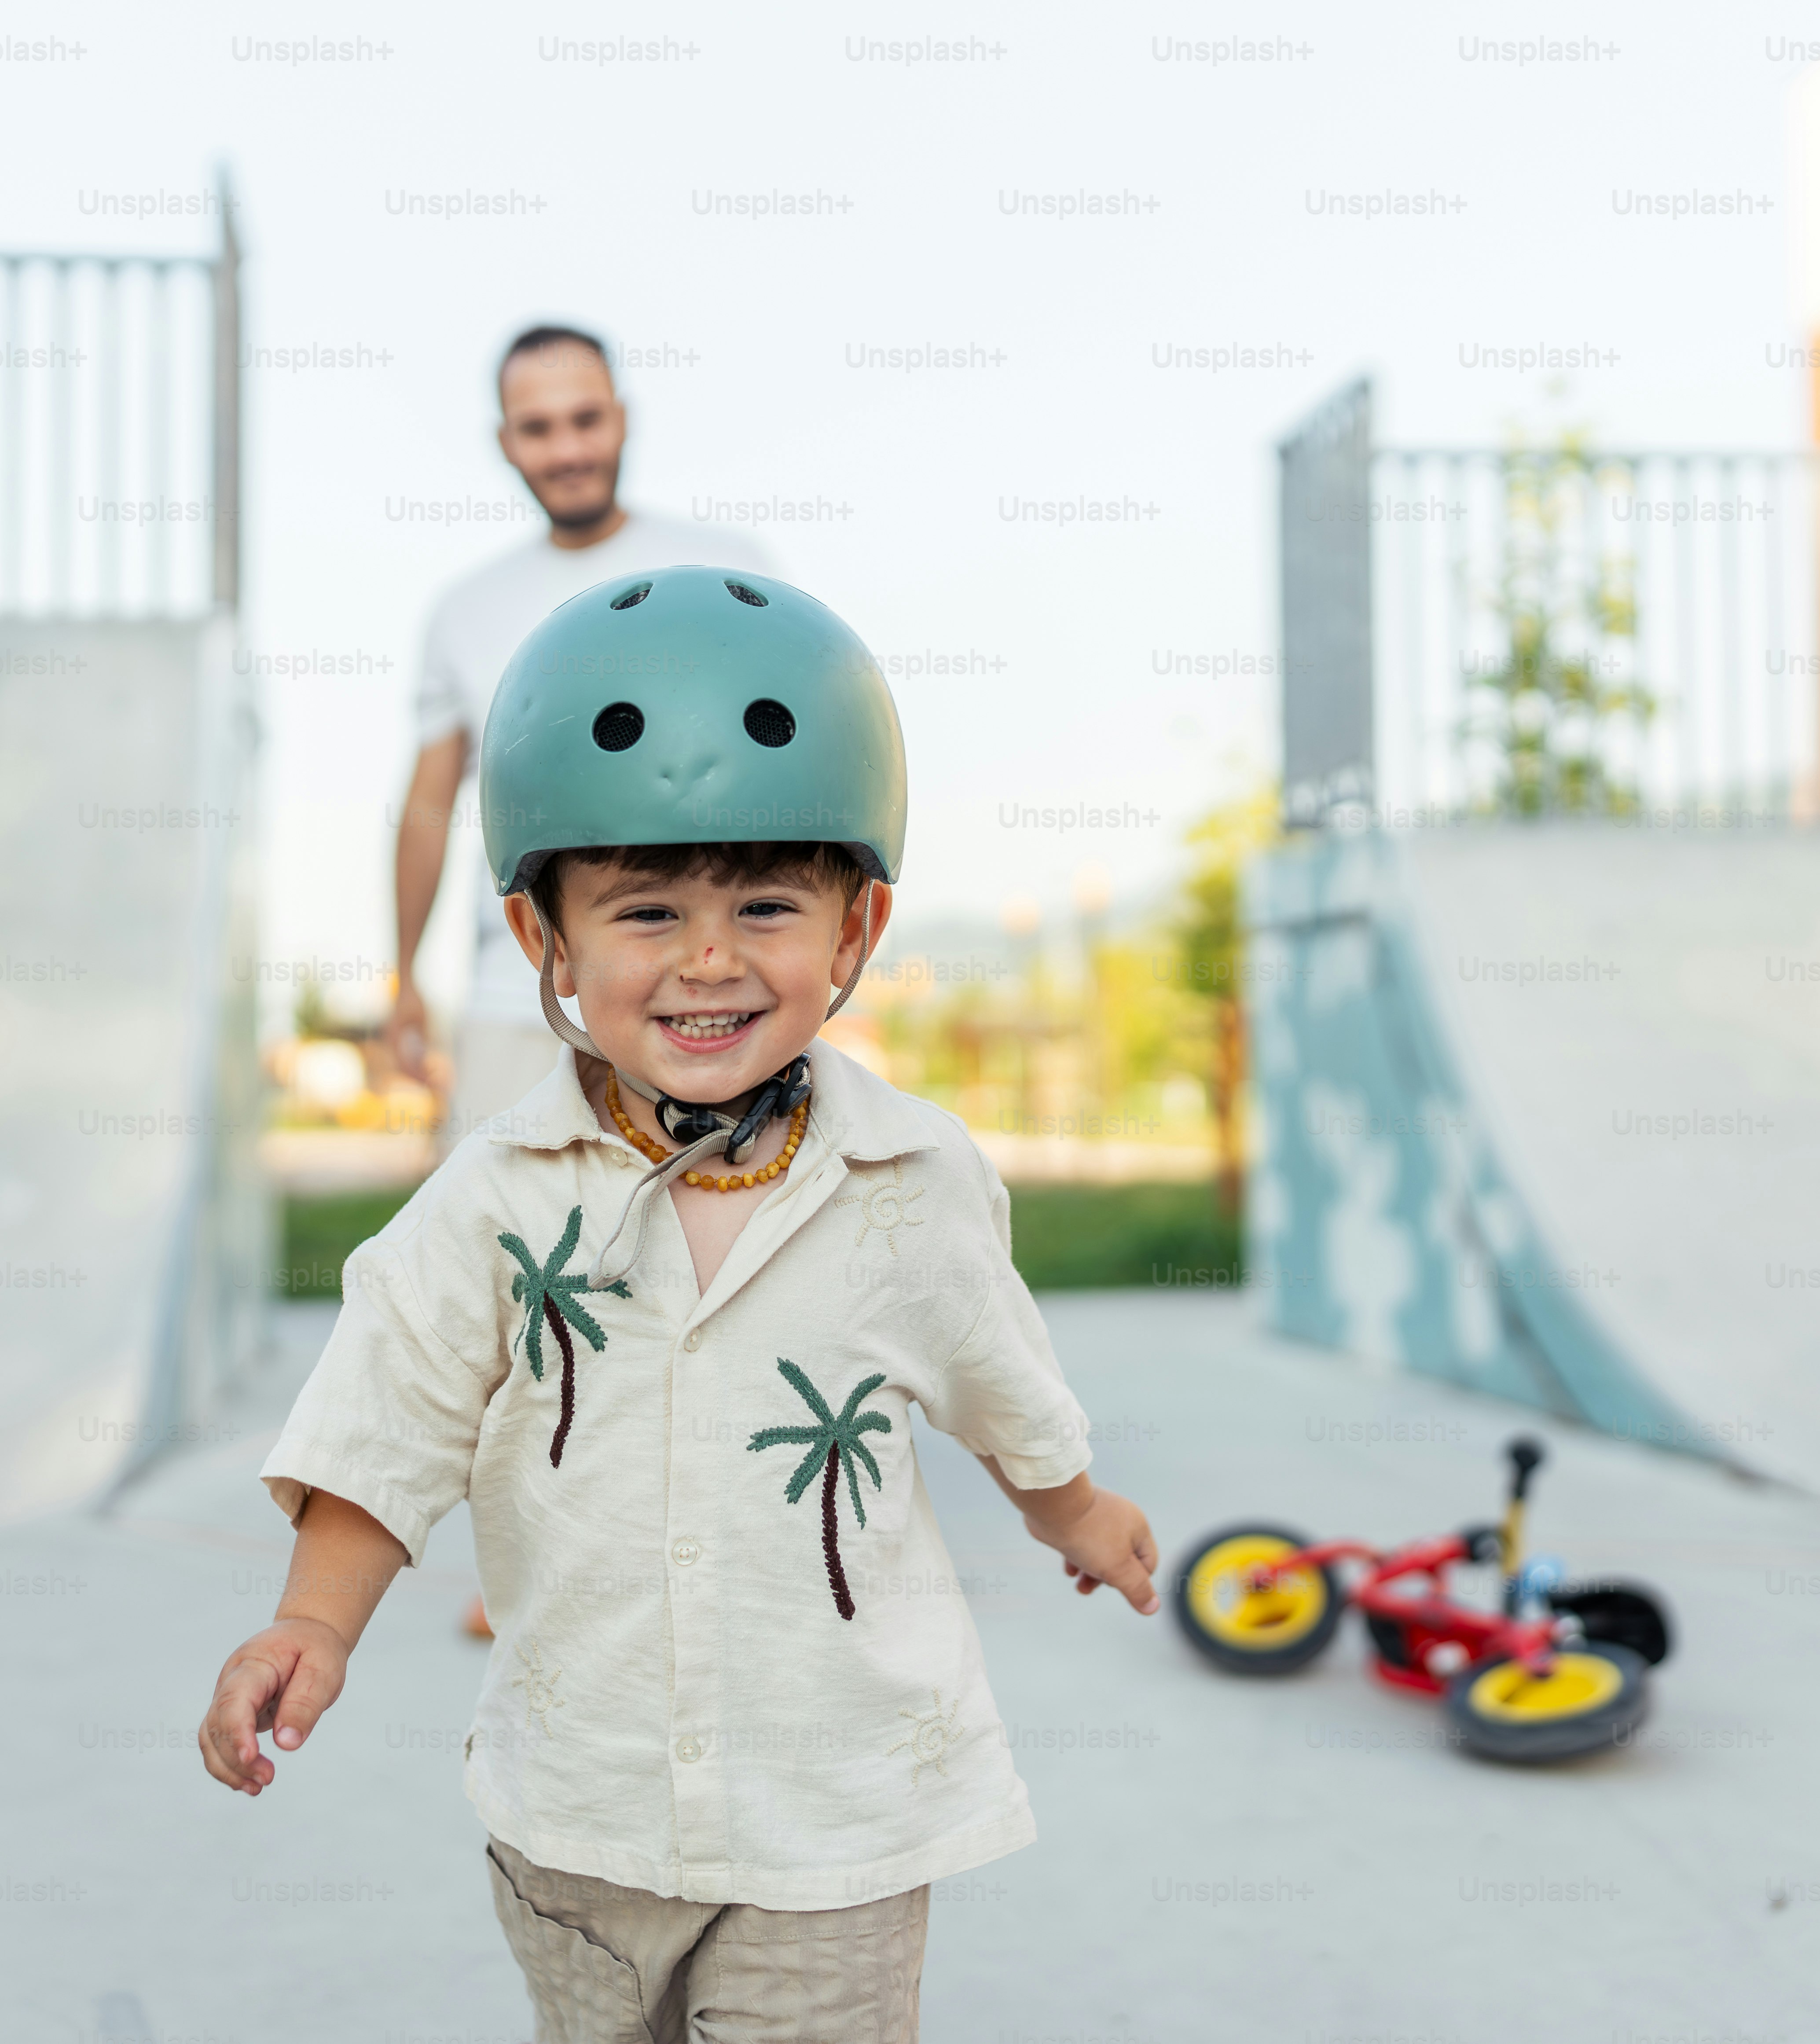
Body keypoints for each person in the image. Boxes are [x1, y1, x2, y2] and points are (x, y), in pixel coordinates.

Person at [199, 570, 1161, 2042]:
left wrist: (1074, 1509)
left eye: (765, 905)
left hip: (832, 1823)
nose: (709, 958)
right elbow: (389, 1418)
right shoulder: (495, 1196)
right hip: (577, 1822)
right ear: (543, 939)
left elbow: (993, 1371)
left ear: (855, 928)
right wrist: (310, 1624)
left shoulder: (910, 1177)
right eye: (646, 909)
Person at [386, 324, 772, 1152]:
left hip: (711, 991)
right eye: (538, 427)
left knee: (725, 1260)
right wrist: (405, 979)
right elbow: (426, 805)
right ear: (505, 441)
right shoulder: (465, 610)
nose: (566, 448)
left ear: (623, 420)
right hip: (518, 999)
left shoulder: (729, 571)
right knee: (497, 1266)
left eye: (585, 419)